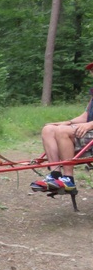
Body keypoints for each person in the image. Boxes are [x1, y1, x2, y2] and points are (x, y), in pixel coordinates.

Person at [30, 62, 93, 193]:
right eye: (92, 70)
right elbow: (86, 116)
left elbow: (88, 121)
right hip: (88, 132)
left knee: (62, 131)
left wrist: (90, 124)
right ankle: (55, 176)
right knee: (48, 129)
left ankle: (68, 179)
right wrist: (65, 122)